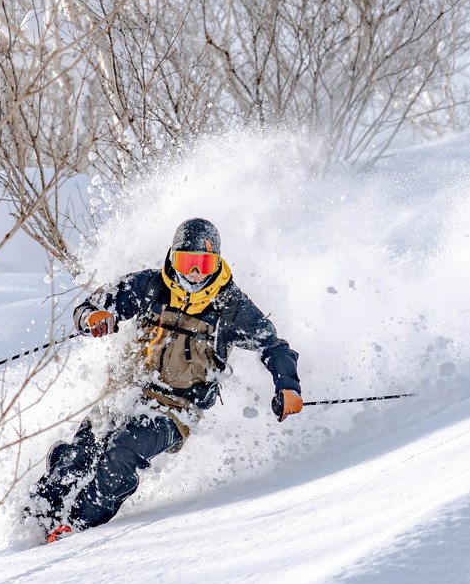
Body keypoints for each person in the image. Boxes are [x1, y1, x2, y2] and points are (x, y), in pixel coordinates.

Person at [26, 218, 302, 543]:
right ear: (173, 257)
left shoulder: (230, 306)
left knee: (121, 450)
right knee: (82, 452)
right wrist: (93, 318)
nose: (194, 274)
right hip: (125, 393)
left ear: (217, 263)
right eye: (187, 263)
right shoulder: (150, 286)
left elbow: (275, 347)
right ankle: (35, 519)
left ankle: (75, 527)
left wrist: (287, 386)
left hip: (175, 412)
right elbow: (90, 307)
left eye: (202, 264)